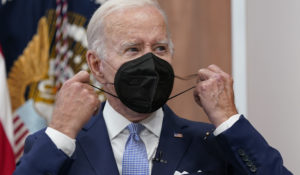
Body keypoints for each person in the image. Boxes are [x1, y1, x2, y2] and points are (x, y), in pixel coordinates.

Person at [13, 0, 292, 174]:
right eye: (133, 49)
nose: (150, 62)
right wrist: (61, 132)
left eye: (160, 48)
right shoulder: (57, 145)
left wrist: (228, 120)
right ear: (96, 65)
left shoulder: (213, 143)